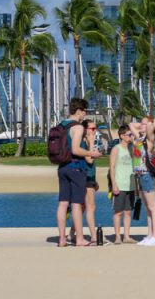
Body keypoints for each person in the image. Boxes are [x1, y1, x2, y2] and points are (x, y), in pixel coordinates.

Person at [56, 97, 101, 247]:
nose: (84, 115)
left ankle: (62, 239)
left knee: (63, 203)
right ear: (78, 111)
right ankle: (80, 239)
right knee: (76, 204)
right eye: (84, 111)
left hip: (62, 167)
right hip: (75, 167)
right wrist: (92, 153)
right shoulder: (78, 127)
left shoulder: (61, 125)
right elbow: (75, 149)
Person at [131, 115, 155, 246]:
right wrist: (144, 124)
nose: (141, 125)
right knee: (147, 208)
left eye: (144, 124)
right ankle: (150, 235)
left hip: (147, 175)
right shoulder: (140, 138)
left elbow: (150, 131)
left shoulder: (150, 139)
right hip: (139, 175)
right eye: (141, 123)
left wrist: (151, 126)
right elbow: (131, 125)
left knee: (153, 207)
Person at [110, 124, 136, 245]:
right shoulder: (116, 148)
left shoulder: (132, 148)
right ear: (122, 136)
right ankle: (117, 237)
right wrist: (114, 185)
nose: (131, 136)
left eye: (131, 134)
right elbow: (112, 168)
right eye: (129, 134)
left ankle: (126, 236)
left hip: (130, 185)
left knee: (128, 212)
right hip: (119, 185)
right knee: (118, 212)